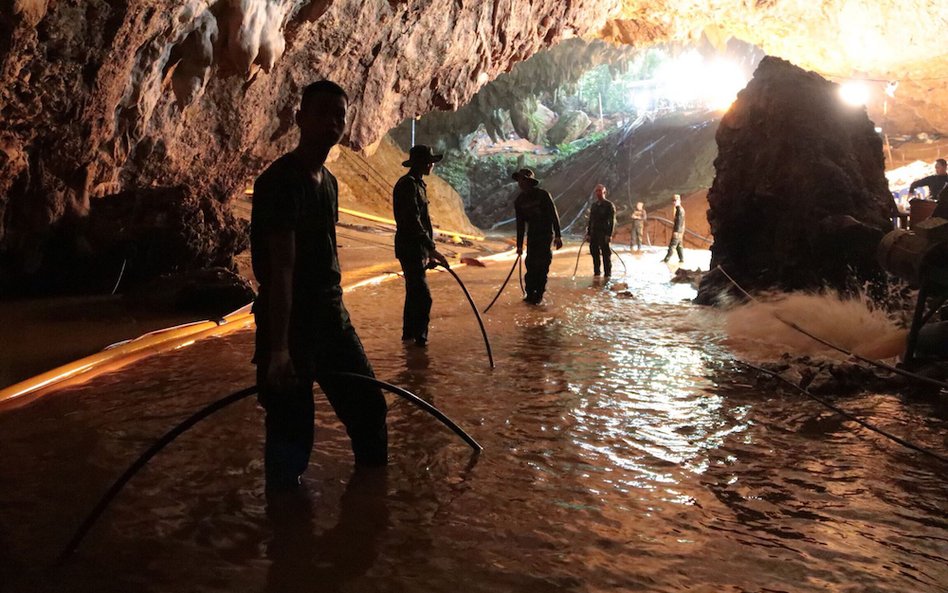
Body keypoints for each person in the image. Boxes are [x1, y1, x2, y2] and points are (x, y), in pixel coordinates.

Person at [250, 80, 388, 491]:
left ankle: (371, 513)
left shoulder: (327, 182)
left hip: (331, 316)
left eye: (339, 116)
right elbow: (281, 267)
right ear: (299, 120)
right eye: (321, 113)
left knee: (369, 409)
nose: (331, 122)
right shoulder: (279, 181)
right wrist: (278, 350)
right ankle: (287, 532)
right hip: (290, 323)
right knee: (292, 434)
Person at [393, 145, 449, 347]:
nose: (432, 165)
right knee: (424, 297)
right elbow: (412, 221)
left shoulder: (418, 184)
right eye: (429, 162)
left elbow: (422, 221)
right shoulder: (407, 185)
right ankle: (420, 342)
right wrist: (432, 248)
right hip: (410, 248)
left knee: (414, 293)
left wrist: (428, 251)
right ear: (423, 164)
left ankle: (408, 338)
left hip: (417, 248)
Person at [513, 169, 562, 304]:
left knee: (542, 265)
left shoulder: (543, 195)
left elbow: (554, 215)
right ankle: (530, 294)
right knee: (530, 265)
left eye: (522, 179)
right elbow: (520, 225)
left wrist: (558, 235)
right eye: (519, 180)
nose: (520, 183)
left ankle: (539, 294)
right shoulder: (519, 201)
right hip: (532, 236)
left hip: (546, 235)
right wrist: (518, 245)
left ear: (529, 181)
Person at [585, 184, 616, 277]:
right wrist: (588, 234)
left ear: (604, 192)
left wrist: (609, 235)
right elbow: (591, 220)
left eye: (600, 191)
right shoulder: (594, 205)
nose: (598, 193)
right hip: (594, 233)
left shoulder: (609, 205)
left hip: (604, 233)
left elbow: (612, 221)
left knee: (606, 255)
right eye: (597, 191)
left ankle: (607, 275)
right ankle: (597, 273)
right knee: (594, 254)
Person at [662, 194, 686, 264]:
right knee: (679, 246)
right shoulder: (680, 209)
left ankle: (666, 260)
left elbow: (679, 221)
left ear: (679, 200)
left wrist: (676, 231)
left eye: (675, 200)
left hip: (678, 231)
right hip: (680, 231)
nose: (674, 202)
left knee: (672, 245)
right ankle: (681, 259)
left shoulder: (679, 210)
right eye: (673, 201)